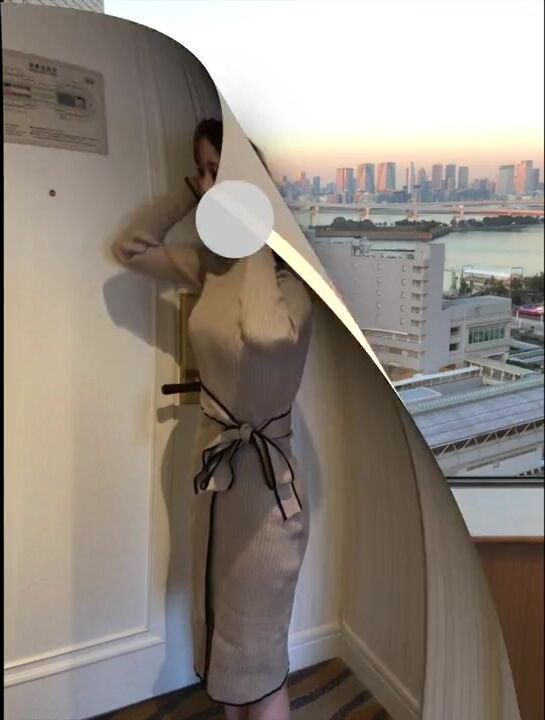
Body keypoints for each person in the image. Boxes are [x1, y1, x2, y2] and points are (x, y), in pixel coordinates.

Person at [111, 118, 314, 720]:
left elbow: (269, 337)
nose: (208, 183)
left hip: (269, 497)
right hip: (214, 479)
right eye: (202, 171)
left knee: (259, 653)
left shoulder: (290, 272)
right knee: (221, 637)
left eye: (219, 171)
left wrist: (255, 232)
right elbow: (129, 249)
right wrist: (188, 194)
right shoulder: (209, 263)